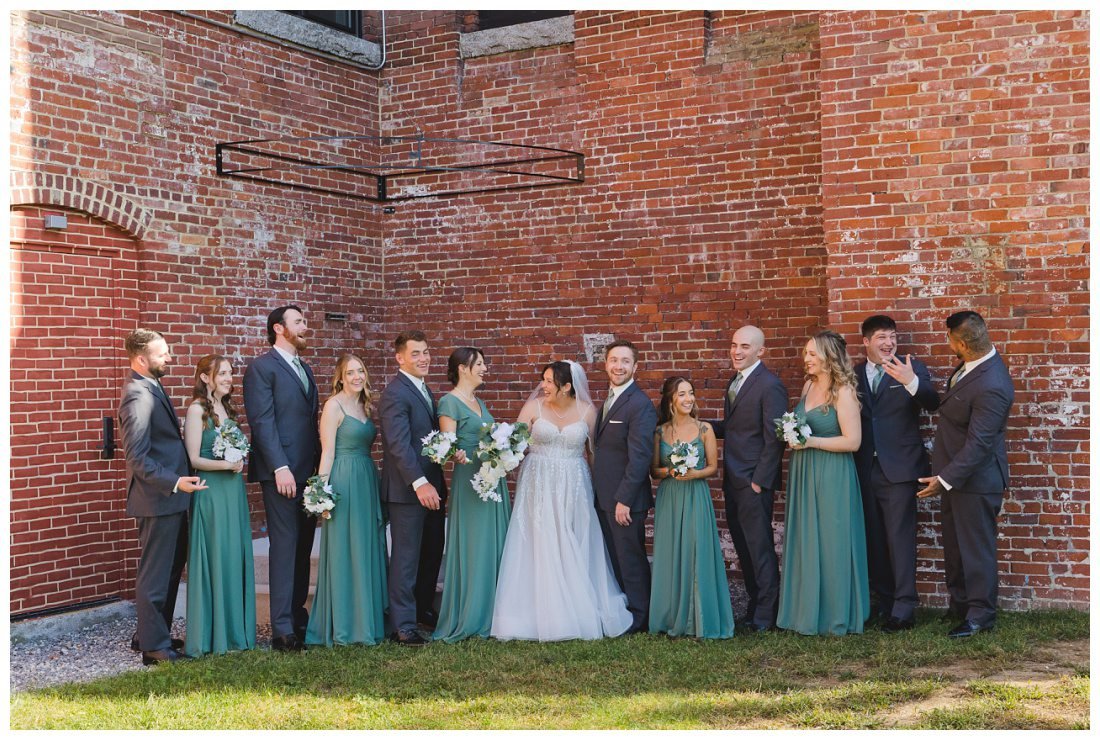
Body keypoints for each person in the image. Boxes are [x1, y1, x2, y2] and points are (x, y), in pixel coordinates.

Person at [491, 361, 632, 641]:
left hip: (574, 482)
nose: (543, 386)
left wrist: (601, 491)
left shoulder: (589, 412)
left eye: (549, 381)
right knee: (540, 538)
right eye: (543, 379)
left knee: (573, 535)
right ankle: (540, 612)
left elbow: (593, 454)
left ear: (567, 386)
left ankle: (578, 607)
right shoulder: (533, 409)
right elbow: (514, 445)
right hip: (538, 481)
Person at [918, 311, 1014, 638]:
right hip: (955, 479)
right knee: (956, 548)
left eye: (949, 339)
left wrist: (943, 480)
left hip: (976, 482)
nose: (949, 344)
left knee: (976, 550)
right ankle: (960, 605)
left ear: (960, 343)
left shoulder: (993, 384)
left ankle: (981, 616)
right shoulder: (970, 365)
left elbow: (979, 446)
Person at [118, 328, 206, 665]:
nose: (169, 357)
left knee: (170, 569)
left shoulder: (152, 385)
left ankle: (152, 633)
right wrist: (175, 483)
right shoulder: (137, 395)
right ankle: (154, 648)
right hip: (157, 499)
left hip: (170, 498)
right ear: (141, 358)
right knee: (156, 573)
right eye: (162, 353)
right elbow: (137, 458)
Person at [777, 330, 870, 635]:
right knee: (807, 537)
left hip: (832, 473)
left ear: (829, 357)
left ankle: (835, 614)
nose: (807, 358)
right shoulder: (808, 385)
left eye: (812, 354)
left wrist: (811, 440)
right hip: (804, 471)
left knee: (832, 540)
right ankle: (805, 611)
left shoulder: (843, 391)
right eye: (806, 353)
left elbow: (853, 442)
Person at [854, 315, 940, 633]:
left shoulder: (911, 367)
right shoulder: (854, 375)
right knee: (874, 539)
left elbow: (933, 403)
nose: (889, 342)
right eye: (881, 337)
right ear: (866, 342)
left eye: (892, 336)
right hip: (864, 469)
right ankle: (886, 602)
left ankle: (904, 609)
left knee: (900, 541)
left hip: (901, 470)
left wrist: (910, 381)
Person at [243, 305, 321, 653]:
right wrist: (279, 467)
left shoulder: (304, 368)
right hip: (282, 472)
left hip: (309, 471)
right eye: (299, 322)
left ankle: (297, 617)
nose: (305, 327)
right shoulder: (262, 368)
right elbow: (262, 422)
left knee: (304, 546)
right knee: (286, 546)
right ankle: (282, 631)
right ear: (279, 328)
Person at [305, 353, 388, 647]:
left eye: (360, 371)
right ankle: (345, 625)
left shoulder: (365, 405)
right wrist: (321, 494)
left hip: (366, 477)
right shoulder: (333, 406)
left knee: (365, 547)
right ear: (340, 377)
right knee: (345, 549)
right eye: (351, 373)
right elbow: (326, 452)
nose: (357, 377)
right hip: (343, 479)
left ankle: (369, 620)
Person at [433, 348, 512, 642]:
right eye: (479, 364)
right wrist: (457, 455)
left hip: (492, 478)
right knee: (476, 546)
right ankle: (471, 614)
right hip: (471, 482)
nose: (485, 368)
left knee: (494, 543)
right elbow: (446, 447)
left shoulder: (478, 401)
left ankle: (497, 612)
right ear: (463, 368)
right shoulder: (449, 402)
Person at [714, 325, 788, 633]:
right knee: (744, 546)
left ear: (760, 351)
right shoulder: (736, 381)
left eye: (745, 346)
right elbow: (735, 429)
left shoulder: (770, 385)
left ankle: (766, 616)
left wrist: (760, 480)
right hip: (733, 479)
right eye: (734, 345)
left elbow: (775, 438)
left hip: (753, 482)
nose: (737, 351)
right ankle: (755, 605)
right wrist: (691, 425)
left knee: (759, 548)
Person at [182, 354, 256, 657]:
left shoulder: (228, 409)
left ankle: (236, 632)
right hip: (210, 491)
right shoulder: (196, 410)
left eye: (229, 373)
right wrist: (226, 464)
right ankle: (212, 635)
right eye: (222, 373)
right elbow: (194, 459)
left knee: (232, 554)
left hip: (233, 493)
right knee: (214, 555)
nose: (228, 378)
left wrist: (238, 460)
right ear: (205, 378)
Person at [649, 376, 734, 639]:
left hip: (696, 493)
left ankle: (699, 619)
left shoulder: (705, 429)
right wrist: (670, 470)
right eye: (682, 394)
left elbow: (712, 467)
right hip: (669, 497)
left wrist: (694, 474)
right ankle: (669, 616)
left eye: (691, 393)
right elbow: (654, 470)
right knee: (671, 552)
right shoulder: (659, 432)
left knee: (697, 550)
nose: (688, 399)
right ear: (671, 399)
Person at [378, 330, 447, 646]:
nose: (423, 358)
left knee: (430, 552)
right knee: (406, 558)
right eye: (416, 353)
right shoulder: (395, 393)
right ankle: (402, 626)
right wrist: (419, 483)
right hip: (409, 491)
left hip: (432, 486)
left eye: (426, 351)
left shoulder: (423, 389)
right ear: (400, 358)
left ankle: (421, 610)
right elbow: (398, 445)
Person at [592, 340, 659, 634]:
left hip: (625, 500)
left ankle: (640, 617)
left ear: (635, 366)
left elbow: (640, 457)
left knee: (631, 560)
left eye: (625, 361)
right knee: (616, 558)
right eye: (614, 360)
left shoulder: (639, 404)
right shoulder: (609, 399)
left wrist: (624, 500)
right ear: (606, 364)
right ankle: (624, 611)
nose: (618, 366)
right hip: (605, 496)